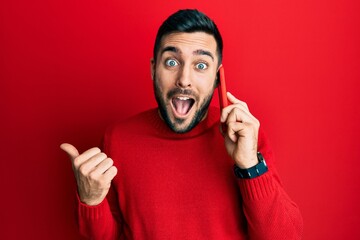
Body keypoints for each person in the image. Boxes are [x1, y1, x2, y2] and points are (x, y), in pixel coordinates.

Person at [61, 9, 303, 240]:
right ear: (153, 69)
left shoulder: (244, 138)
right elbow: (108, 236)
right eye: (171, 63)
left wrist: (250, 165)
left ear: (217, 79)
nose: (184, 80)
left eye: (200, 65)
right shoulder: (118, 139)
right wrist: (91, 199)